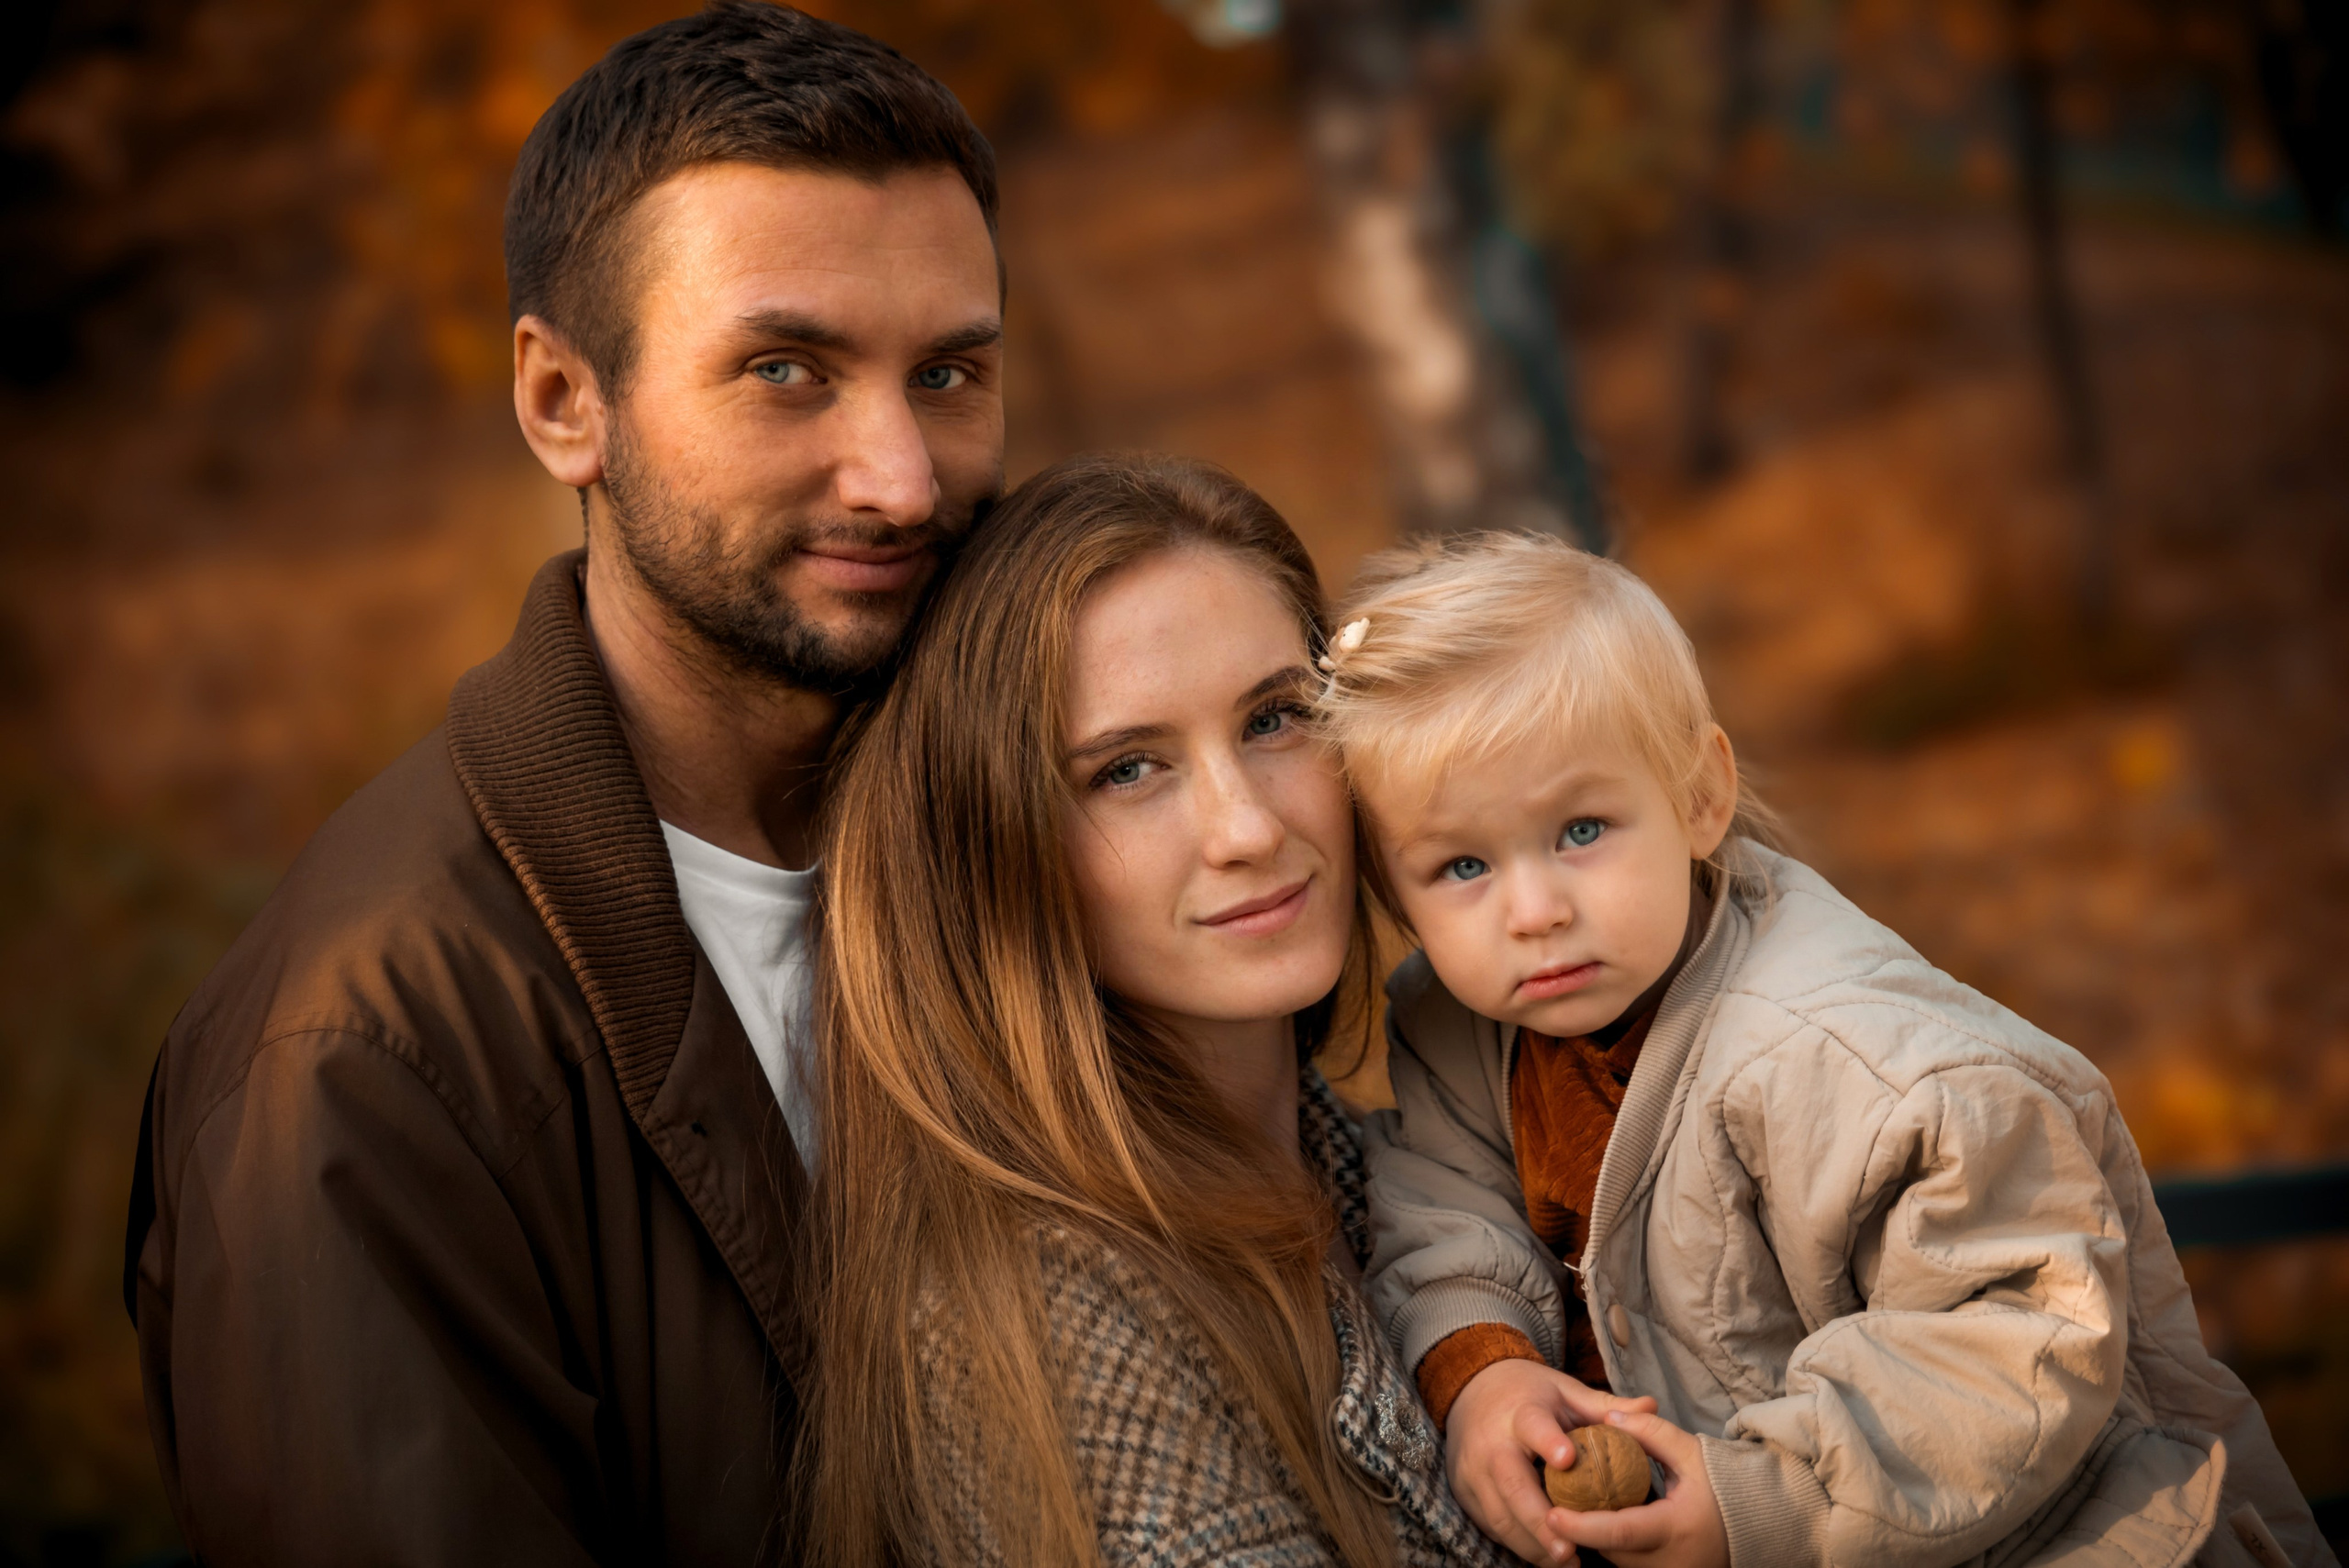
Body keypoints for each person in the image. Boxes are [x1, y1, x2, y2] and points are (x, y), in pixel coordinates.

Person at [120, 6, 1003, 1561]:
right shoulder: (363, 1060)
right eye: (786, 370)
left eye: (948, 373)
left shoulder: (1045, 837)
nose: (904, 477)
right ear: (562, 402)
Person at [1315, 532, 2333, 1568]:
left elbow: (2021, 1330)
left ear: (1698, 798)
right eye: (1462, 865)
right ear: (1394, 893)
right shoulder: (1453, 1027)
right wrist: (1480, 1367)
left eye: (1581, 829)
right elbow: (1443, 1214)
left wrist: (1764, 1496)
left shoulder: (1852, 1058)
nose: (1533, 911)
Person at [803, 452, 1601, 1566]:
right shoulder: (1065, 1330)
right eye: (1129, 769)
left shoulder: (1405, 1161)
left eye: (1276, 717)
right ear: (997, 848)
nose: (1247, 829)